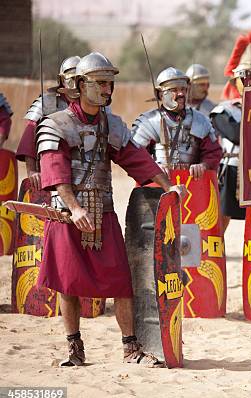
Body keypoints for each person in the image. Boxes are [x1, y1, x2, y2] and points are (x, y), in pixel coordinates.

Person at [35, 52, 185, 368]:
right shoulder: (56, 125)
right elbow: (56, 172)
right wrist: (74, 208)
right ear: (79, 85)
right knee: (68, 285)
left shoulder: (112, 125)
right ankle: (74, 349)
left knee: (121, 282)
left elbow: (137, 160)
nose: (107, 89)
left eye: (110, 83)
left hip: (103, 213)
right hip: (66, 216)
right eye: (101, 83)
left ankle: (130, 348)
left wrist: (168, 187)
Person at [210, 31, 251, 231]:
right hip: (231, 167)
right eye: (245, 79)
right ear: (235, 83)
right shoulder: (223, 111)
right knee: (222, 218)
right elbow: (236, 135)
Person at [131, 67, 221, 176]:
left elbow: (213, 153)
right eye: (174, 90)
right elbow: (136, 156)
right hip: (158, 185)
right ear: (160, 94)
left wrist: (203, 165)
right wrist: (153, 168)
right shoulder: (148, 121)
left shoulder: (200, 120)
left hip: (192, 185)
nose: (181, 94)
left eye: (183, 89)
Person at [17, 56, 81, 190]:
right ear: (62, 80)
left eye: (79, 80)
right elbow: (29, 139)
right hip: (50, 177)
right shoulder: (46, 104)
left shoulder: (94, 106)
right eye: (71, 79)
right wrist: (32, 171)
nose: (75, 85)